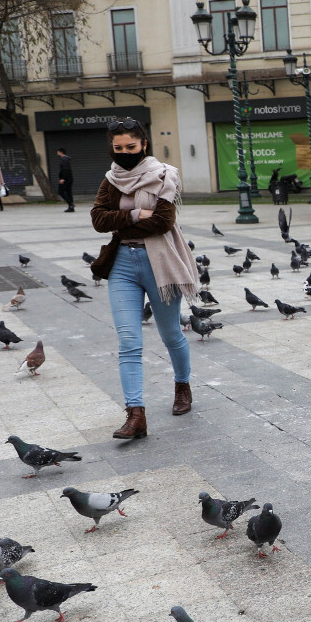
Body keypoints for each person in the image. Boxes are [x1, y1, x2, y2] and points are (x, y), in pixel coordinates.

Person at [90, 118, 197, 440]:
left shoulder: (165, 175)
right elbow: (98, 219)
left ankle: (182, 386)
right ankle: (135, 414)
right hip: (122, 264)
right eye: (118, 148)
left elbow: (163, 222)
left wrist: (119, 223)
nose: (124, 153)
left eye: (130, 147)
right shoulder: (111, 180)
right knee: (128, 342)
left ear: (144, 145)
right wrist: (136, 215)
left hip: (160, 264)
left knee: (170, 334)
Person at [57, 148, 75, 212]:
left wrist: (63, 178)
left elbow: (65, 169)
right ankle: (71, 206)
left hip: (66, 179)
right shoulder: (66, 159)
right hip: (69, 178)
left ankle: (70, 204)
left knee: (60, 191)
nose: (57, 153)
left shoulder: (64, 159)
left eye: (58, 152)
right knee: (68, 192)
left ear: (61, 152)